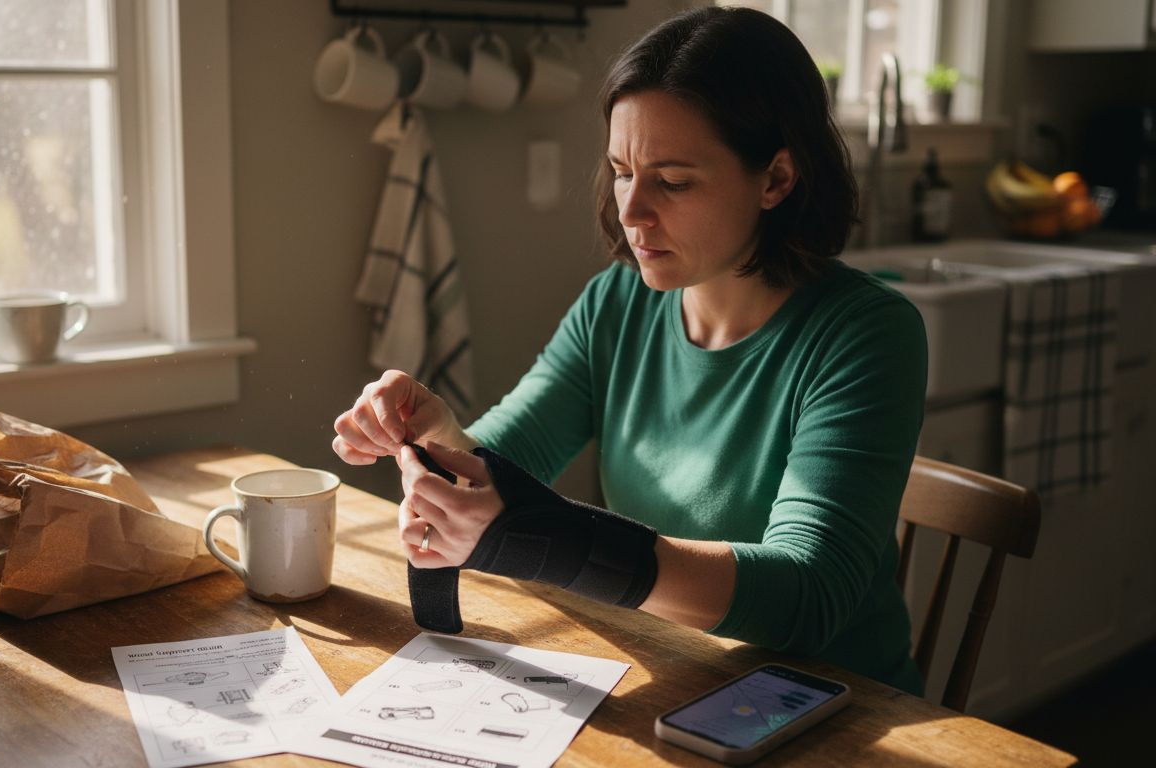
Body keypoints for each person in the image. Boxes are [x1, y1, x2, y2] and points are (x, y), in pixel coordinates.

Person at [332, 6, 927, 695]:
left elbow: (807, 594)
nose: (631, 211)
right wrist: (439, 446)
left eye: (673, 182)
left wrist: (571, 546)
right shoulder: (618, 303)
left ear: (776, 179)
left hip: (837, 711)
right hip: (677, 675)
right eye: (622, 171)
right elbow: (504, 475)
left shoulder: (865, 336)